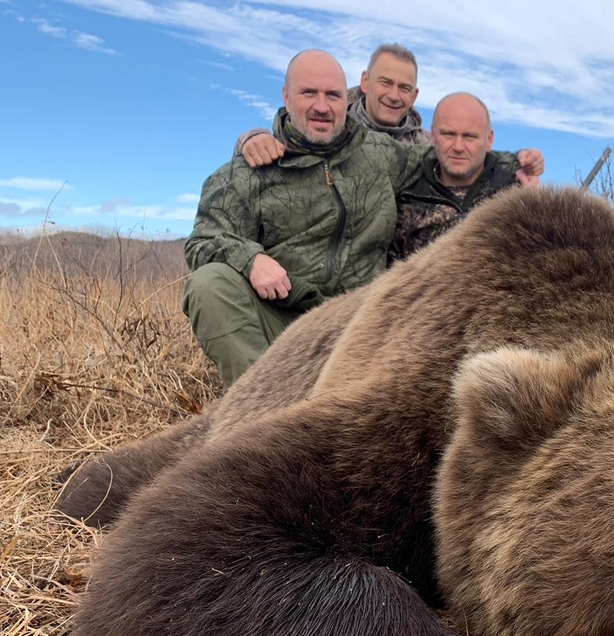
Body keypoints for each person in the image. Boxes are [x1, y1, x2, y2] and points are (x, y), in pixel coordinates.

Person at [183, 49, 542, 385]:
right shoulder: (246, 172)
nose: (322, 106)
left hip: (363, 324)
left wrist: (518, 165)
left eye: (333, 96)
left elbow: (450, 156)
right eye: (309, 93)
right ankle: (259, 410)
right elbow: (202, 241)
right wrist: (251, 259)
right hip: (283, 315)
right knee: (209, 284)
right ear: (286, 96)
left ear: (347, 98)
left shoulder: (380, 155)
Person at [237, 43, 429, 168]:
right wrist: (250, 139)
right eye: (385, 83)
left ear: (415, 96)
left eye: (404, 88)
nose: (394, 95)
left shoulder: (427, 146)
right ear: (365, 81)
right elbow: (289, 135)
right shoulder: (330, 123)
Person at [389, 92, 530, 263]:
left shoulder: (517, 196)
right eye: (448, 134)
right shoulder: (406, 197)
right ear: (433, 136)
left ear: (489, 140)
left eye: (469, 136)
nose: (458, 146)